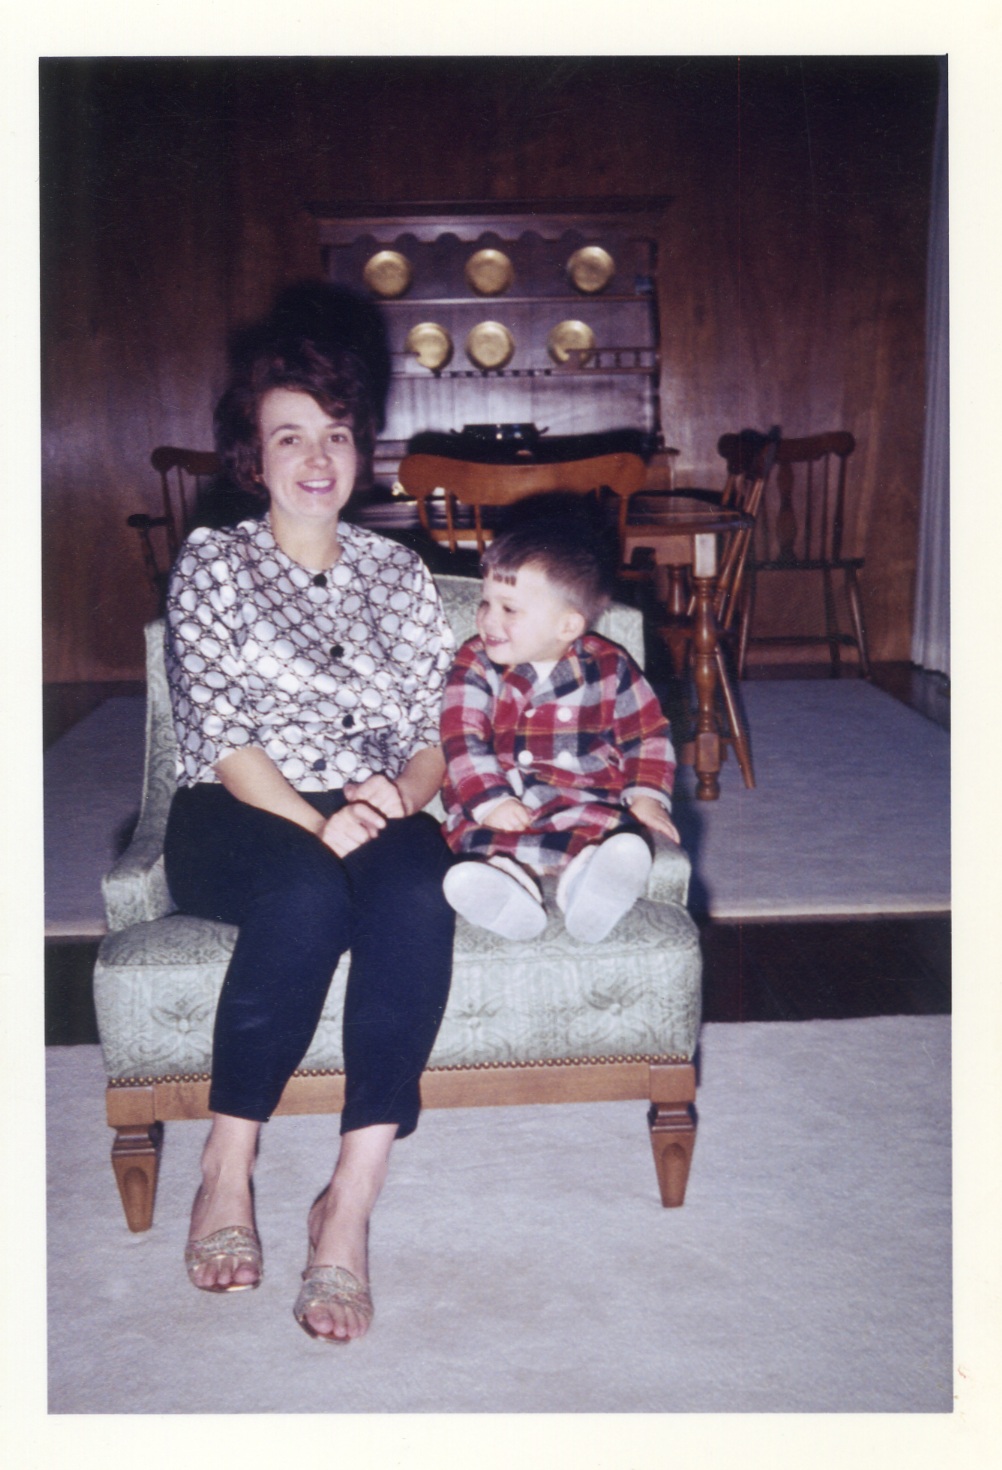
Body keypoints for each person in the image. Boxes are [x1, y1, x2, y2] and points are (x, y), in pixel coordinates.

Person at [162, 333, 456, 1343]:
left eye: (335, 433)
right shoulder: (216, 562)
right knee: (306, 888)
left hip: (372, 803)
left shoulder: (398, 572)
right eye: (290, 436)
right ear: (255, 457)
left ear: (360, 448)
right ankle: (226, 1165)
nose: (317, 457)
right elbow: (222, 738)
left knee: (418, 889)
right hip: (238, 810)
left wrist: (396, 799)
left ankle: (349, 1203)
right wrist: (322, 825)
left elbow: (431, 736)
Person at [440, 496, 680, 944]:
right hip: (504, 802)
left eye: (509, 609)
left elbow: (646, 734)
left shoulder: (609, 665)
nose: (488, 619)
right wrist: (488, 800)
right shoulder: (475, 662)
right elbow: (461, 736)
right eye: (486, 602)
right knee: (480, 847)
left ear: (567, 626)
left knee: (605, 843)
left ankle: (584, 892)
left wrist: (647, 797)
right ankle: (510, 896)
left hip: (581, 801)